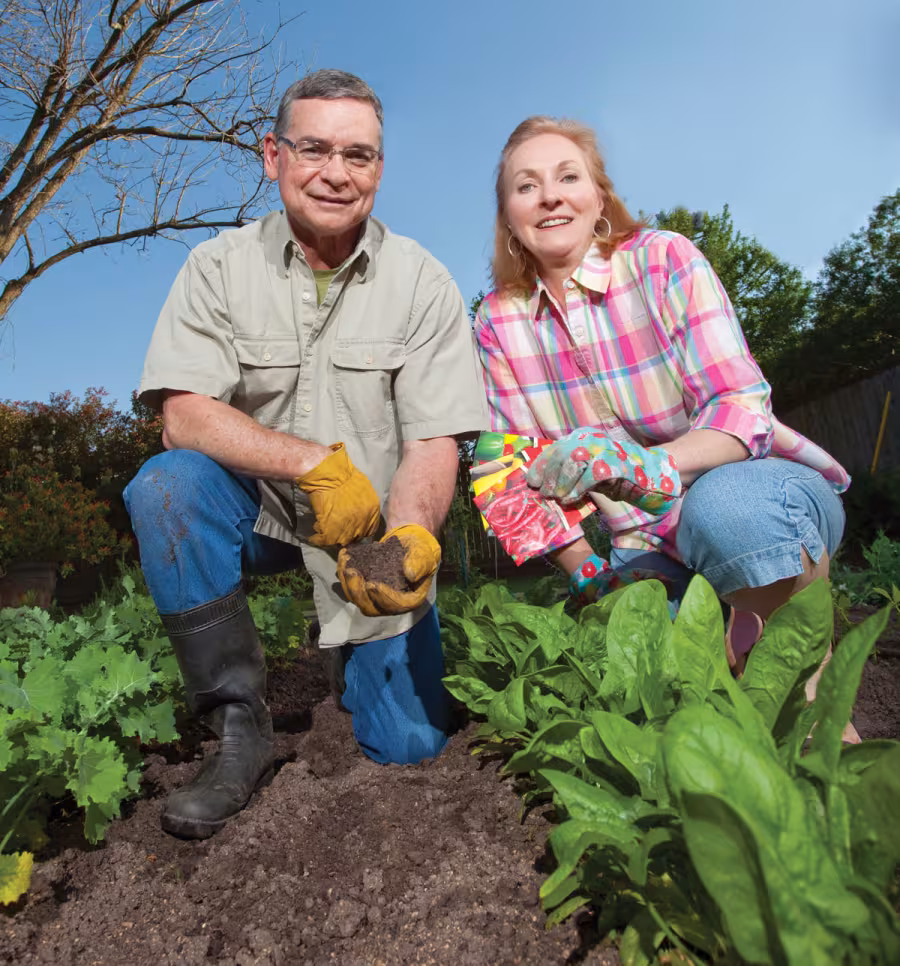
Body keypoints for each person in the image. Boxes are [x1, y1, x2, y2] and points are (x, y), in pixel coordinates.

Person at [124, 69, 487, 839]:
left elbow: (433, 439)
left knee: (413, 744)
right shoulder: (217, 268)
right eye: (314, 147)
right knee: (166, 488)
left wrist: (414, 531)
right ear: (272, 155)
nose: (335, 172)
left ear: (379, 171)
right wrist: (311, 467)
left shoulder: (422, 283)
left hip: (367, 540)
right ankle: (236, 728)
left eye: (358, 155)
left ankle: (358, 659)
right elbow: (183, 416)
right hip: (255, 511)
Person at [473, 115, 852, 719]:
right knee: (646, 679)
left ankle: (813, 716)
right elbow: (513, 471)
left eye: (567, 176)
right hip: (641, 542)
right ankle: (730, 625)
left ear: (599, 195)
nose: (549, 195)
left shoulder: (661, 259)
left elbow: (740, 406)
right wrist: (588, 573)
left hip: (753, 493)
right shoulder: (498, 321)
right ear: (509, 217)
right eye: (526, 185)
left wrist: (647, 463)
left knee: (726, 515)